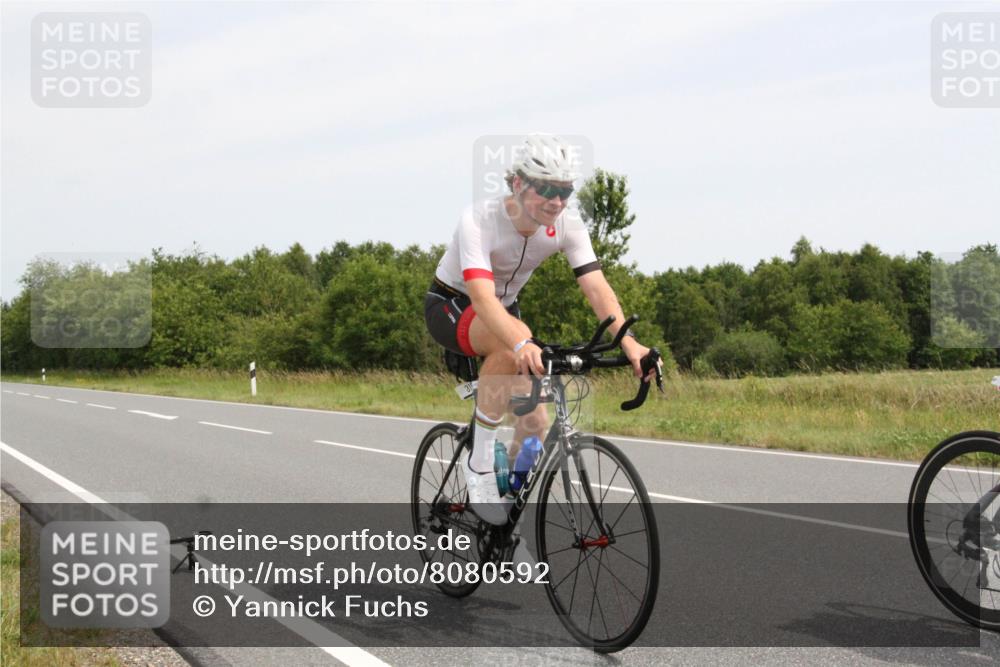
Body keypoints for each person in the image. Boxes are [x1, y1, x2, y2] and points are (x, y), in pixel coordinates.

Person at [424, 134, 658, 525]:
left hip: (508, 313)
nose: (557, 201)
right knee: (507, 342)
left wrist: (629, 342)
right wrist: (520, 340)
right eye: (546, 188)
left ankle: (504, 510)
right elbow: (482, 299)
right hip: (454, 303)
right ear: (518, 184)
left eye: (565, 190)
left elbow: (597, 288)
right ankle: (479, 468)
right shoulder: (479, 219)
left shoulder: (567, 224)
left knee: (534, 425)